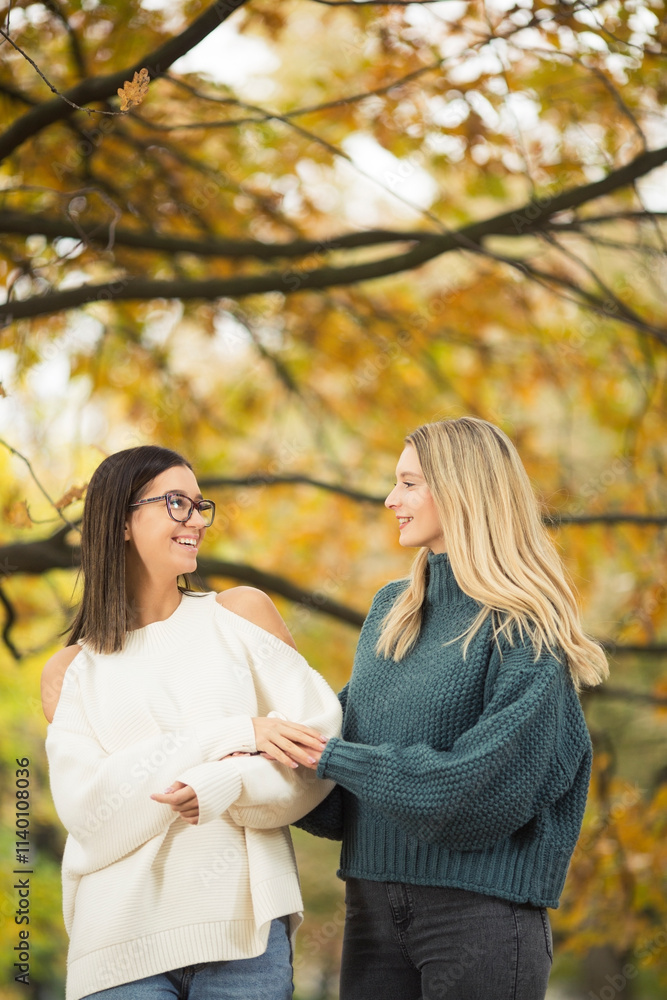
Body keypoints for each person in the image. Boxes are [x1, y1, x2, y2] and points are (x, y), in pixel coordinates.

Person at [293, 417, 609, 1000]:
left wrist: (330, 758)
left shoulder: (525, 630)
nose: (391, 500)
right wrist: (266, 756)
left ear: (463, 489)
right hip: (369, 912)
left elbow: (472, 795)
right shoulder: (392, 612)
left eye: (409, 483)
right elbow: (340, 800)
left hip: (480, 920)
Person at [41, 445, 342, 1000]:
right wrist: (236, 735)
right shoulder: (74, 669)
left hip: (245, 941)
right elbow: (90, 812)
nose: (197, 521)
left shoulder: (240, 615)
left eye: (200, 506)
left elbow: (315, 753)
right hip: (117, 951)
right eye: (176, 503)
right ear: (122, 521)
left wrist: (225, 783)